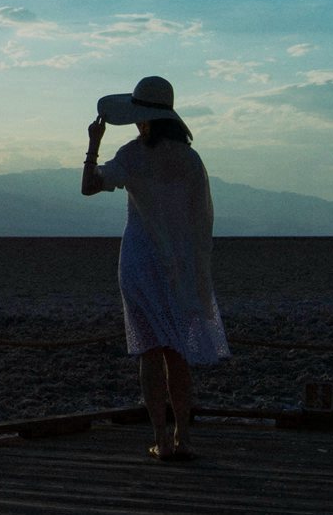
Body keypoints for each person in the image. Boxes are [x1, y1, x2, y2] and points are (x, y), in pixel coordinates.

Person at [82, 75, 228, 461]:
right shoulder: (190, 160)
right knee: (177, 353)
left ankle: (160, 438)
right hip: (178, 265)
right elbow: (201, 219)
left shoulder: (132, 154)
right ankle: (183, 437)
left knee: (149, 351)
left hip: (139, 262)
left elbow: (89, 186)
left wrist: (93, 146)